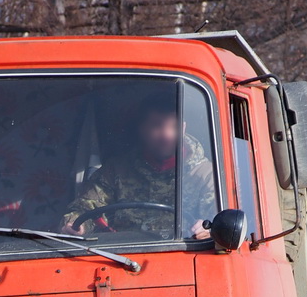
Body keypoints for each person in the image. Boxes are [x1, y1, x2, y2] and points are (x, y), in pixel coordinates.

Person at [62, 95, 216, 239]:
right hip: (121, 258)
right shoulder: (116, 170)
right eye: (157, 126)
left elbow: (218, 220)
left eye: (174, 127)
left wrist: (209, 229)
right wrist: (77, 225)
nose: (166, 135)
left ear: (183, 128)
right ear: (141, 129)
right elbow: (85, 208)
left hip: (183, 259)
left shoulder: (206, 175)